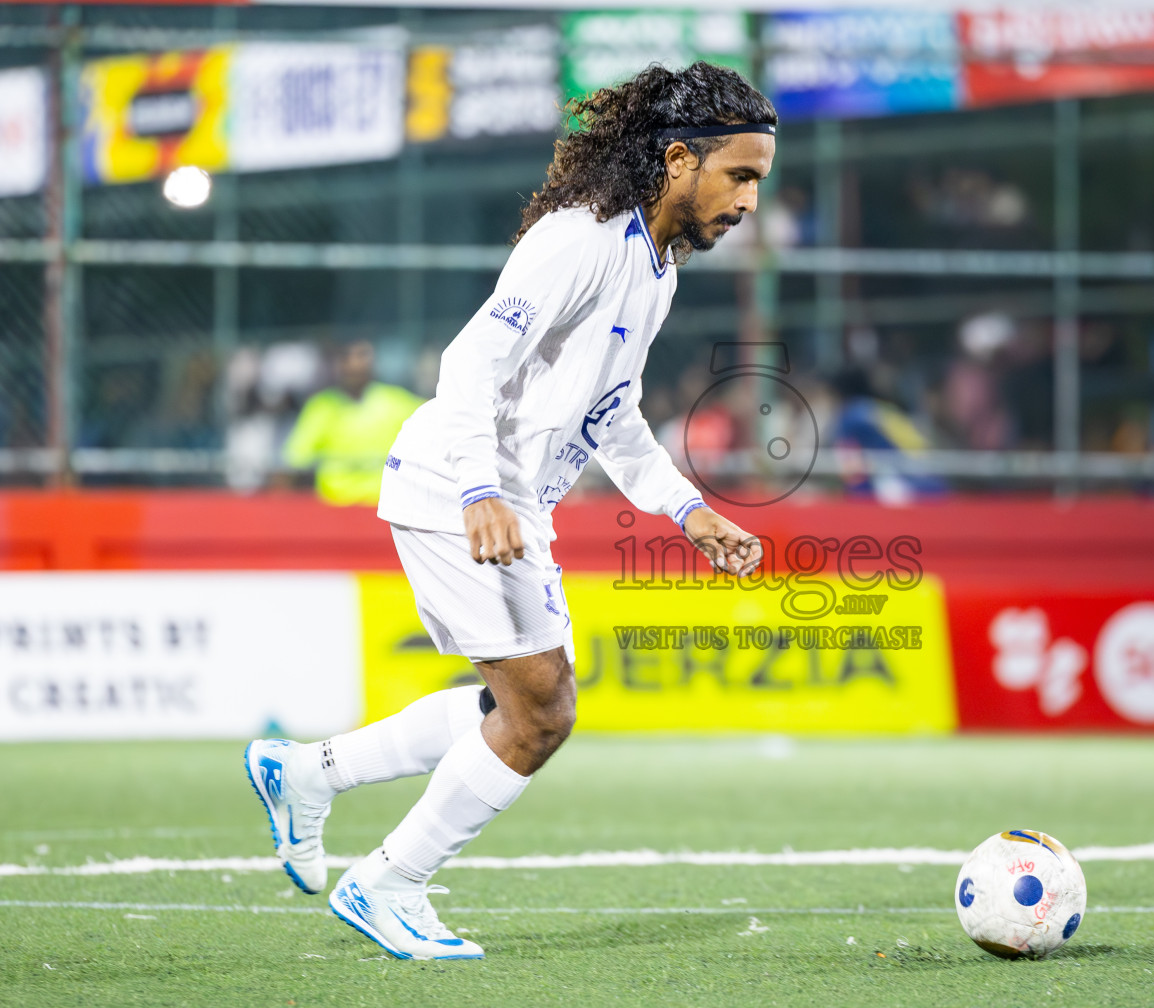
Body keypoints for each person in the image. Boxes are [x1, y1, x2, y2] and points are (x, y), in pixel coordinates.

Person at [241, 62, 774, 961]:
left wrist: (690, 512)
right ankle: (391, 882)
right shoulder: (580, 239)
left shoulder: (656, 268)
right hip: (462, 487)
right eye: (742, 175)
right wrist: (479, 488)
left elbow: (614, 415)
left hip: (511, 499)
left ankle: (305, 774)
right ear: (680, 159)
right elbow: (470, 363)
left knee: (520, 702)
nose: (751, 199)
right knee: (541, 714)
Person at [281, 340, 425, 506]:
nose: (355, 365)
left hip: (386, 506)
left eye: (361, 356)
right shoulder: (321, 407)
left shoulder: (397, 401)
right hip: (333, 507)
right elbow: (295, 460)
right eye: (347, 357)